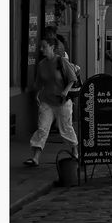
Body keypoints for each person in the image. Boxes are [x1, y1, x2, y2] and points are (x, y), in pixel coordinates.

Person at [23, 38, 78, 166]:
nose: (41, 49)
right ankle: (35, 157)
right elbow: (39, 83)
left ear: (52, 47)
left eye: (44, 46)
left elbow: (72, 79)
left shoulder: (61, 61)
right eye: (40, 47)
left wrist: (65, 91)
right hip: (47, 101)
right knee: (42, 128)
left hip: (62, 102)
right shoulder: (42, 64)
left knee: (65, 128)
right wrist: (37, 94)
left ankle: (75, 151)